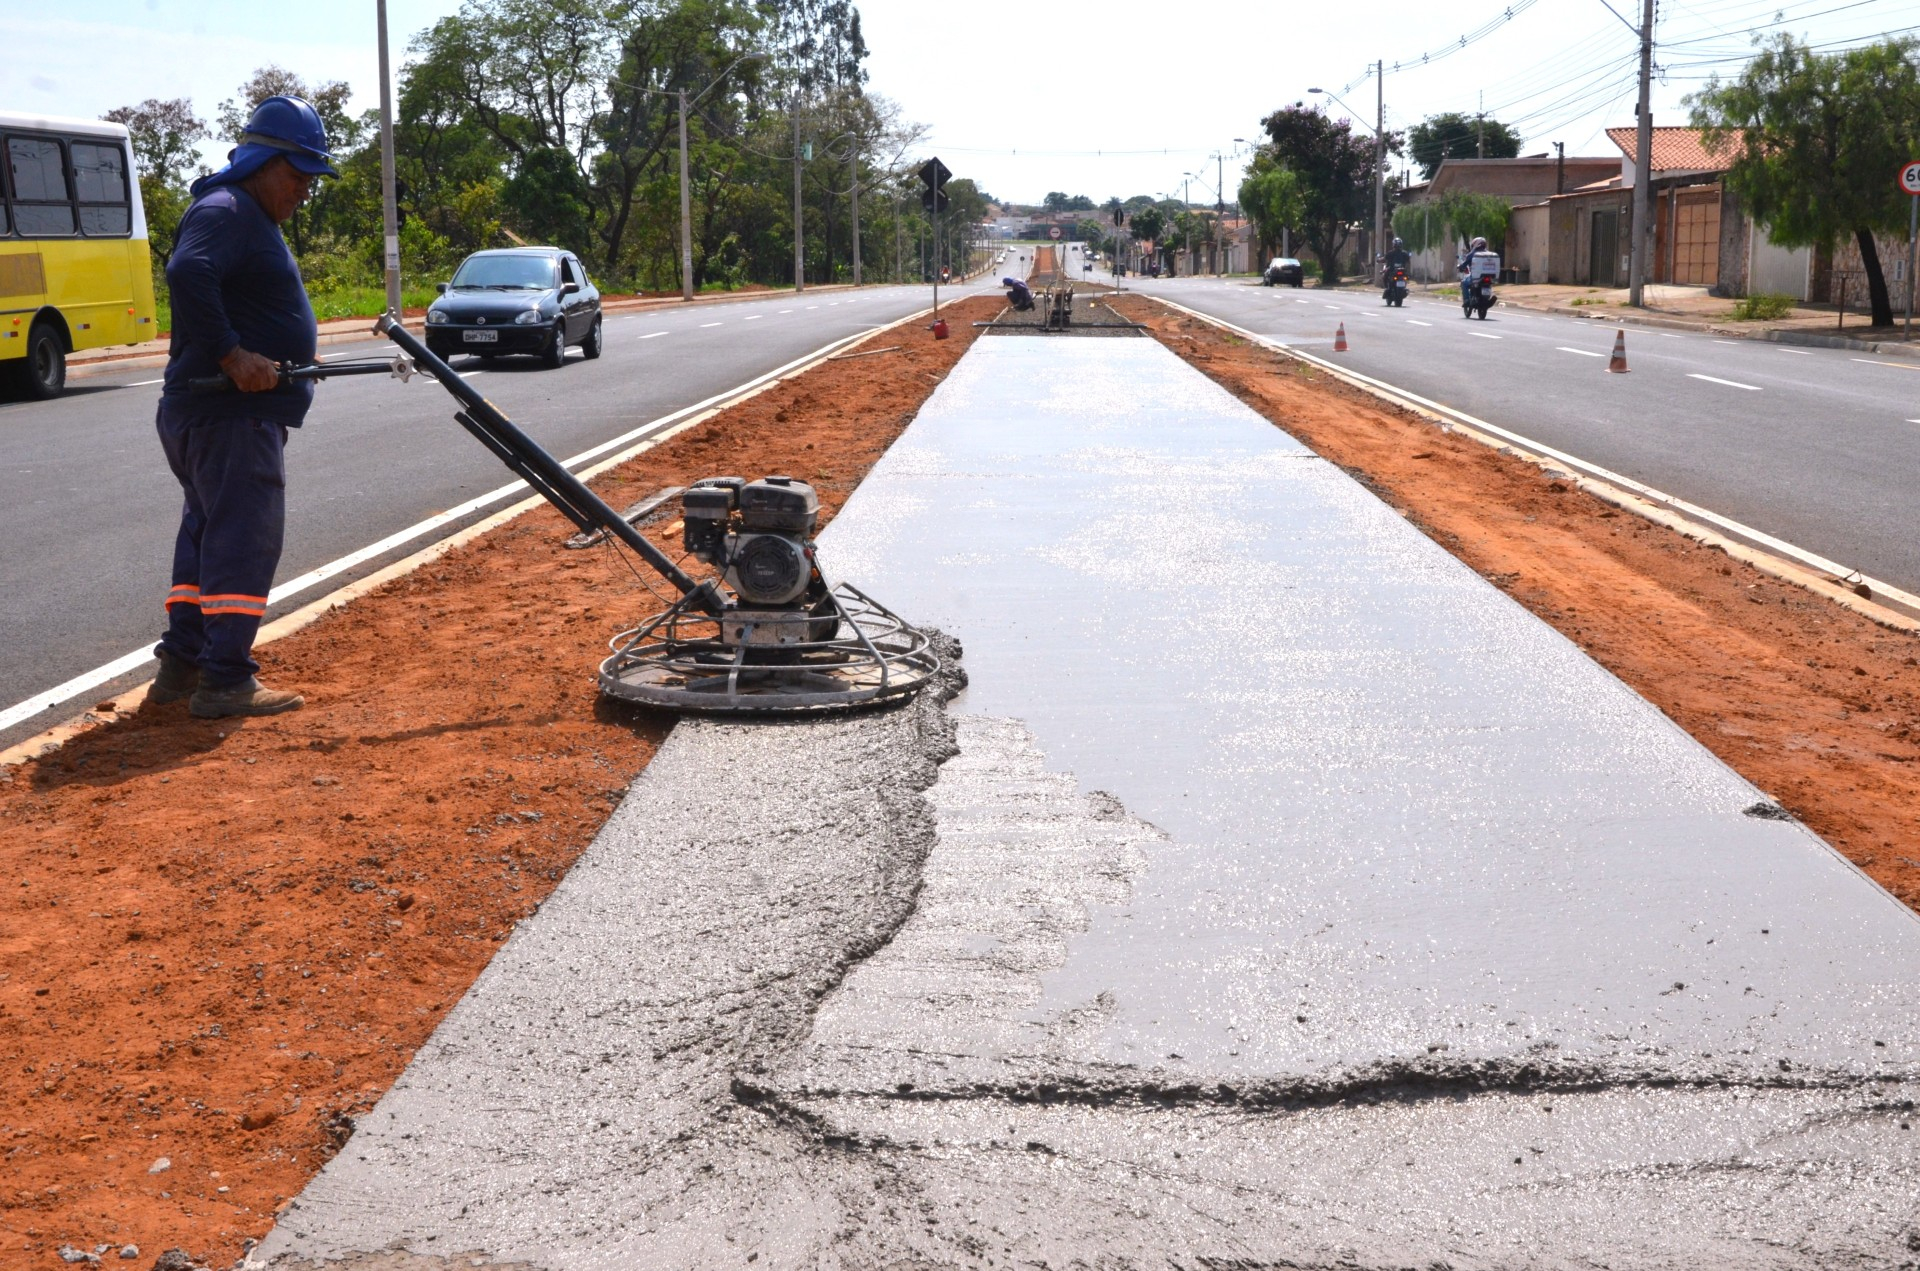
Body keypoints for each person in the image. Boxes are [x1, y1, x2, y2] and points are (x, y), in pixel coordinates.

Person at [150, 96, 337, 719]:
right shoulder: (229, 209)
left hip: (215, 418)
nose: (305, 190)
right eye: (298, 175)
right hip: (227, 416)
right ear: (262, 161)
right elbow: (187, 271)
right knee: (242, 540)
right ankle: (226, 679)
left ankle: (181, 666)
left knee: (207, 537)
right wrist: (234, 356)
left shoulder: (241, 213)